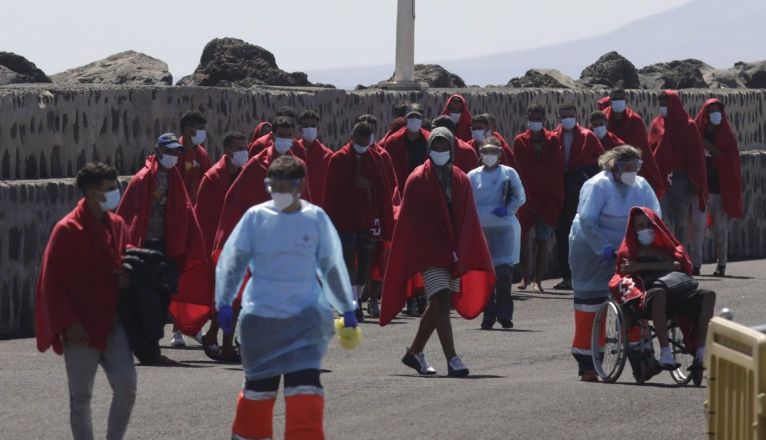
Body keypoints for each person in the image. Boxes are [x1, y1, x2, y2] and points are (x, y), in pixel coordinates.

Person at [215, 156, 358, 440]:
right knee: (258, 393)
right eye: (273, 186)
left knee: (305, 391)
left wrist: (346, 307)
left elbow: (330, 266)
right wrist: (224, 300)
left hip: (303, 320)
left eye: (285, 186)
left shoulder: (315, 219)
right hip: (261, 322)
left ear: (300, 185)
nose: (279, 192)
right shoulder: (256, 218)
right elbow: (234, 261)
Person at [380, 127, 496, 377]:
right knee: (441, 298)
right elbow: (414, 220)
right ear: (429, 149)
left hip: (454, 249)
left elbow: (467, 217)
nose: (440, 151)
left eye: (445, 147)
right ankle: (452, 359)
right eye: (436, 147)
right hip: (430, 251)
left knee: (440, 304)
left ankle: (414, 352)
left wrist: (463, 247)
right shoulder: (417, 179)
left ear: (451, 150)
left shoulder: (460, 179)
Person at [35, 162, 137, 440]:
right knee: (81, 398)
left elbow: (126, 265)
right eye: (110, 188)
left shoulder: (117, 226)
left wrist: (128, 279)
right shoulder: (67, 230)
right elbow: (51, 282)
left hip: (113, 322)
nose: (116, 193)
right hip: (79, 327)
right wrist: (67, 323)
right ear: (92, 192)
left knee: (127, 385)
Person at [568, 146, 660, 381]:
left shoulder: (641, 186)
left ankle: (643, 361)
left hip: (627, 248)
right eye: (627, 168)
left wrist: (649, 245)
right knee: (590, 303)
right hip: (591, 247)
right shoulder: (598, 185)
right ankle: (588, 363)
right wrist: (604, 248)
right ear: (614, 167)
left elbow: (655, 216)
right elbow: (588, 219)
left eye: (635, 168)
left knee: (634, 299)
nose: (632, 172)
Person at [116, 133, 212, 353]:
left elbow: (184, 209)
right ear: (158, 151)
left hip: (168, 244)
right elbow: (129, 212)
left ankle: (150, 336)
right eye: (169, 152)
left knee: (166, 291)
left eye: (176, 152)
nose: (173, 157)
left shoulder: (174, 177)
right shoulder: (142, 178)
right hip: (146, 244)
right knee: (144, 293)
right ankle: (144, 339)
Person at [610, 207, 715, 371]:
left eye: (648, 225)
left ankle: (701, 352)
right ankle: (665, 353)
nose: (645, 229)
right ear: (634, 229)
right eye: (640, 226)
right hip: (646, 296)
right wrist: (658, 265)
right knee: (659, 294)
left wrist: (641, 266)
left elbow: (677, 264)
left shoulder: (663, 247)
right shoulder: (629, 251)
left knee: (708, 295)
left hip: (675, 292)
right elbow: (624, 274)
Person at [323, 122, 395, 322]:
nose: (363, 146)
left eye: (366, 143)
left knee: (366, 263)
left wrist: (369, 185)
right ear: (352, 137)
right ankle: (353, 304)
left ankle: (357, 298)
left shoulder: (374, 159)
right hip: (344, 221)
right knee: (347, 263)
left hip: (367, 220)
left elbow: (384, 188)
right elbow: (330, 192)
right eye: (360, 142)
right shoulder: (338, 159)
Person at [193, 131, 248, 361]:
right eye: (240, 148)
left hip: (240, 244)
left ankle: (214, 336)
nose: (245, 152)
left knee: (232, 298)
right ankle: (225, 345)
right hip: (219, 247)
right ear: (228, 152)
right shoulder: (213, 178)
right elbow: (204, 219)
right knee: (229, 299)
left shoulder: (246, 174)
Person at [468, 137, 526, 329]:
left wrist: (508, 210)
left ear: (500, 153)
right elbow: (466, 201)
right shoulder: (472, 176)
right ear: (480, 153)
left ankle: (505, 314)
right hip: (481, 232)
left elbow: (520, 196)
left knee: (503, 275)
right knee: (485, 278)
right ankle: (488, 315)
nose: (489, 155)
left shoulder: (509, 173)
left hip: (504, 231)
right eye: (486, 151)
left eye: (493, 151)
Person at [649, 90, 708, 275]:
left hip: (681, 180)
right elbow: (651, 147)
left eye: (665, 102)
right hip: (661, 179)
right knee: (661, 219)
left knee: (681, 223)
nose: (662, 106)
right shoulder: (657, 123)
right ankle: (663, 259)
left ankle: (681, 259)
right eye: (660, 102)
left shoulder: (688, 125)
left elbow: (695, 155)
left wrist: (695, 181)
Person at [553, 102, 605, 291]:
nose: (567, 119)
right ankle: (567, 276)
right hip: (561, 192)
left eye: (570, 115)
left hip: (580, 191)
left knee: (584, 232)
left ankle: (587, 274)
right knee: (562, 233)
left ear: (576, 116)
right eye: (563, 115)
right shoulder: (553, 137)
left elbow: (600, 162)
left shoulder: (587, 137)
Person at [514, 104, 563, 293]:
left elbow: (554, 168)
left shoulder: (552, 140)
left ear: (544, 119)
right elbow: (521, 167)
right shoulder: (520, 141)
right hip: (527, 196)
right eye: (532, 118)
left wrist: (551, 194)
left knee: (542, 239)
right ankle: (525, 277)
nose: (535, 121)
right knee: (525, 238)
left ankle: (538, 279)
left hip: (546, 197)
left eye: (538, 118)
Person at [693, 99, 743, 277]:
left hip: (719, 188)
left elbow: (729, 158)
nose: (716, 114)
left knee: (720, 228)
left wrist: (708, 146)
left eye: (718, 111)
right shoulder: (699, 131)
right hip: (702, 188)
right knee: (698, 227)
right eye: (712, 111)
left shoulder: (726, 134)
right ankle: (696, 264)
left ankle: (721, 264)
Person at [599, 88, 666, 197]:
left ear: (626, 99)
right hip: (607, 172)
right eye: (615, 98)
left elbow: (644, 151)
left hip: (630, 173)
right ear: (610, 99)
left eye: (621, 98)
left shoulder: (634, 120)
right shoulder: (602, 119)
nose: (618, 101)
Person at [382, 104, 430, 199]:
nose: (414, 119)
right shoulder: (393, 141)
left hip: (424, 188)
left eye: (418, 117)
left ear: (422, 119)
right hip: (400, 190)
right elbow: (386, 168)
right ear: (405, 118)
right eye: (411, 116)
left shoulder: (430, 139)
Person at [297, 109, 333, 207]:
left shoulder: (328, 155)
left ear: (318, 128)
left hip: (319, 208)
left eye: (313, 126)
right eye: (306, 126)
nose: (310, 129)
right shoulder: (293, 152)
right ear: (300, 128)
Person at [177, 110, 213, 203]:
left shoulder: (202, 154)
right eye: (201, 128)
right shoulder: (175, 154)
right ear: (188, 130)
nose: (204, 132)